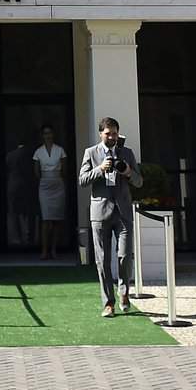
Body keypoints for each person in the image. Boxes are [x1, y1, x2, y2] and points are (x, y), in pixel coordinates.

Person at [80, 116, 142, 317]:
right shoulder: (91, 152)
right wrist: (100, 169)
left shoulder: (127, 153)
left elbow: (139, 181)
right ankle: (108, 303)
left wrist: (128, 172)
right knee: (102, 260)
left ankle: (124, 292)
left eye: (115, 133)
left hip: (123, 212)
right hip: (100, 213)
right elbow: (82, 180)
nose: (112, 137)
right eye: (108, 134)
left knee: (125, 255)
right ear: (101, 134)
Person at [32, 125, 68, 260]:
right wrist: (44, 179)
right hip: (45, 185)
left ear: (53, 134)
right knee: (46, 219)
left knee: (57, 220)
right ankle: (44, 250)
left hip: (58, 183)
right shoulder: (38, 151)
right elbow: (36, 171)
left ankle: (54, 250)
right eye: (45, 133)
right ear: (42, 135)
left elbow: (65, 169)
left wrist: (58, 178)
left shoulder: (60, 150)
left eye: (50, 133)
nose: (48, 136)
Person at [4, 141, 37, 252]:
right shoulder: (30, 154)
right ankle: (30, 237)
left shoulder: (10, 155)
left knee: (14, 213)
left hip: (13, 185)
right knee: (30, 212)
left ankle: (17, 238)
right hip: (27, 185)